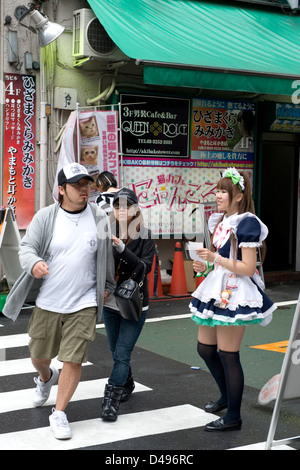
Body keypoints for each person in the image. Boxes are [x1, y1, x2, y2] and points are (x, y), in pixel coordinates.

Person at [2, 162, 115, 440]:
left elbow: (105, 255)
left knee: (73, 358)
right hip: (49, 300)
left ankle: (60, 412)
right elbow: (26, 248)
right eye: (77, 185)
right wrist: (35, 263)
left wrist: (108, 285)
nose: (84, 189)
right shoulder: (46, 217)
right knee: (38, 356)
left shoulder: (100, 216)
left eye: (86, 184)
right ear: (62, 190)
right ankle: (45, 377)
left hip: (85, 301)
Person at [189, 167, 276, 432]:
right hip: (218, 287)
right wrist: (204, 266)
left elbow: (248, 268)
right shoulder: (221, 220)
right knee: (205, 348)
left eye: (223, 191)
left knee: (228, 354)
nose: (217, 195)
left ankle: (234, 416)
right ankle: (226, 396)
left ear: (238, 196)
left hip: (236, 292)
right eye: (217, 190)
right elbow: (220, 260)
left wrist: (214, 258)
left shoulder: (247, 222)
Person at [101, 188, 155, 422]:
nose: (120, 210)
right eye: (116, 206)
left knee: (122, 353)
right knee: (115, 350)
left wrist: (123, 250)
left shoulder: (144, 235)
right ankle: (127, 381)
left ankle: (110, 403)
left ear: (135, 209)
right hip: (110, 301)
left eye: (125, 206)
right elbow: (99, 263)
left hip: (134, 302)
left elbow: (145, 268)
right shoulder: (105, 231)